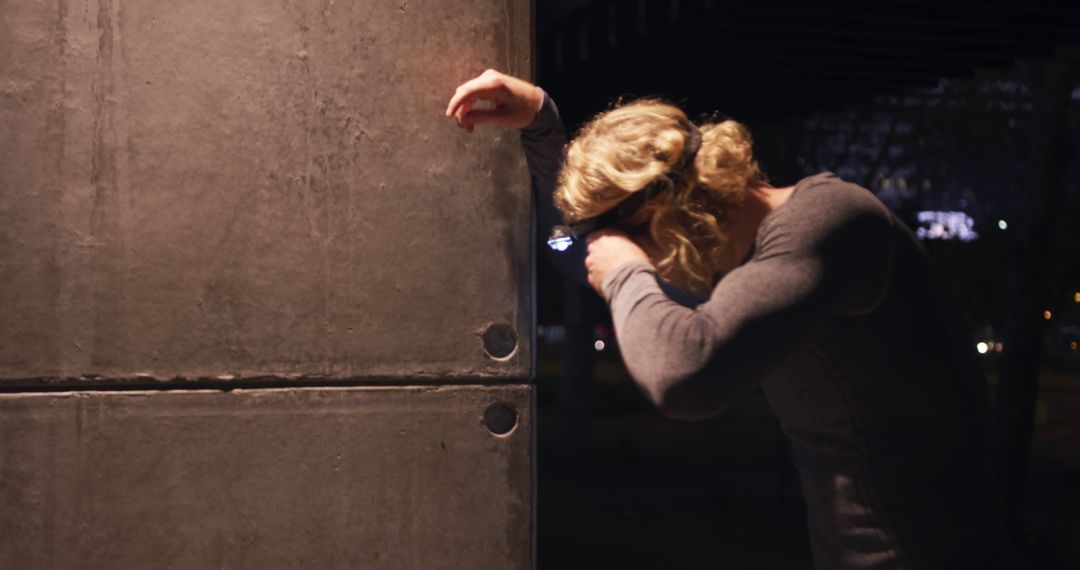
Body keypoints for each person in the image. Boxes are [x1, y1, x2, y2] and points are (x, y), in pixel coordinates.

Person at [446, 69, 1014, 570]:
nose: (629, 259)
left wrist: (624, 272)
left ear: (665, 213)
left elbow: (684, 377)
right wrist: (544, 125)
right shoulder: (740, 262)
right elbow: (577, 259)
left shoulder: (830, 225)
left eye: (624, 238)